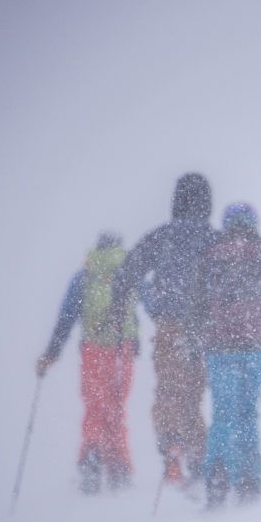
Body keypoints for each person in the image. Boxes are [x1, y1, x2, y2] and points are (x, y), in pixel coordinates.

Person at [109, 173, 217, 487]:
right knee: (193, 394)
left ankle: (171, 447)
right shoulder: (213, 238)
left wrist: (117, 308)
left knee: (170, 389)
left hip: (168, 325)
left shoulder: (161, 237)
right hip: (202, 328)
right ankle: (199, 457)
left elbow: (128, 272)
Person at [198, 202, 261, 508]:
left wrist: (194, 340)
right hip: (256, 346)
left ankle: (217, 475)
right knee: (246, 412)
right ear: (254, 225)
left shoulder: (210, 261)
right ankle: (248, 480)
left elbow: (198, 306)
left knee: (223, 414)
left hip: (219, 347)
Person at [36, 232, 139, 494]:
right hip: (120, 350)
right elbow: (144, 307)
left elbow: (66, 318)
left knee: (95, 408)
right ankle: (119, 473)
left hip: (92, 350)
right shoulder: (127, 273)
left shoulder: (84, 277)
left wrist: (51, 354)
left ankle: (91, 466)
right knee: (116, 410)